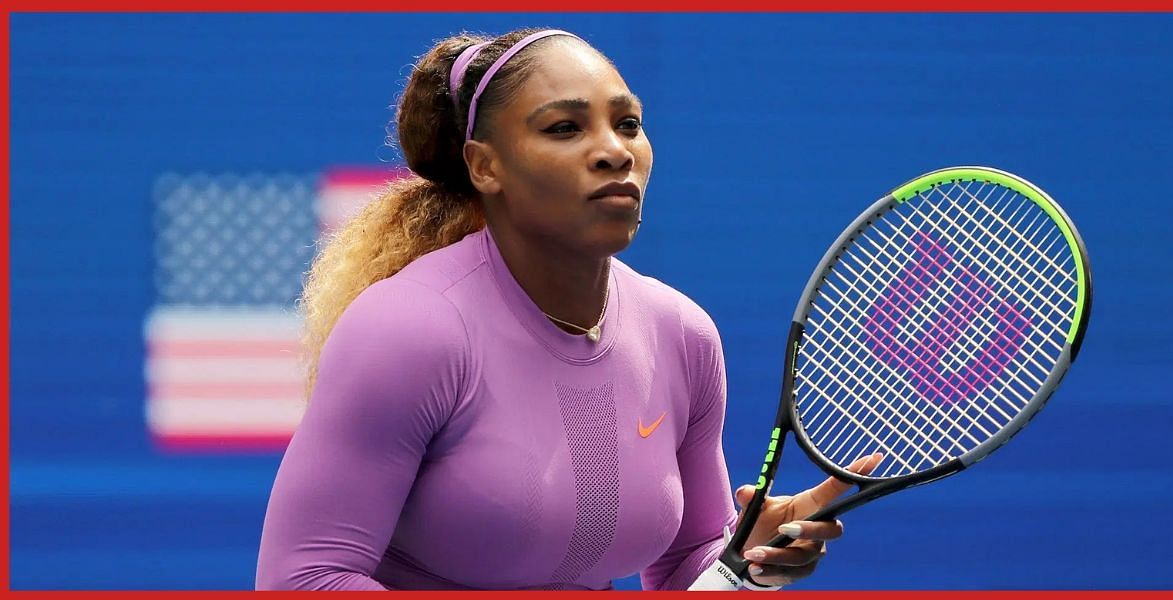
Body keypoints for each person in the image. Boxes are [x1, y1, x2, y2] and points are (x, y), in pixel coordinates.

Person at [255, 27, 878, 591]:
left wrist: (742, 566)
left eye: (628, 124)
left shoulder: (682, 334)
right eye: (564, 128)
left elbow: (688, 561)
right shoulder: (410, 330)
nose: (615, 152)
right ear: (485, 165)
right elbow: (303, 578)